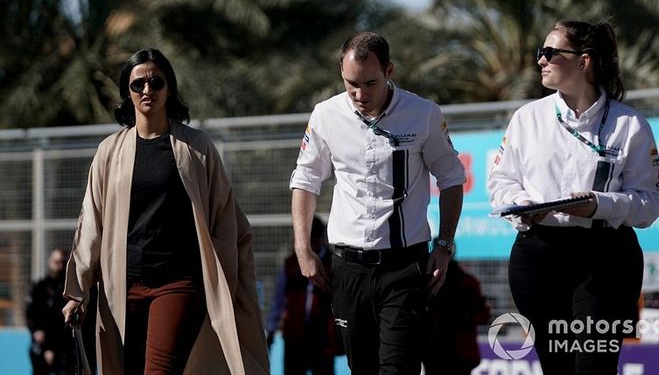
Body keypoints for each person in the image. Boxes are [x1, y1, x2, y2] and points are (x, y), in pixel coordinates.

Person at [61, 48, 269, 375]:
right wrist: (77, 291)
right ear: (126, 93)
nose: (147, 90)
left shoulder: (196, 148)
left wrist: (225, 284)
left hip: (177, 283)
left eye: (156, 82)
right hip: (122, 286)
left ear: (169, 88)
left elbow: (227, 222)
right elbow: (91, 225)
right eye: (138, 84)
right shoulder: (109, 152)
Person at [488, 20, 659, 374]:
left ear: (583, 62)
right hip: (538, 257)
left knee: (593, 366)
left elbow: (651, 202)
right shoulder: (527, 119)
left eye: (551, 53)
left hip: (605, 260)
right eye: (541, 52)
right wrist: (521, 207)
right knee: (557, 367)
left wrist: (601, 204)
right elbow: (501, 181)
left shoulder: (629, 125)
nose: (540, 59)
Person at [289, 31, 466, 374]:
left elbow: (451, 178)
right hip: (348, 268)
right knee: (362, 368)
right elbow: (305, 180)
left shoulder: (423, 113)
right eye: (349, 83)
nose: (359, 94)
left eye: (369, 83)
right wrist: (302, 247)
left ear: (389, 71)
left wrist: (444, 245)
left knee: (398, 368)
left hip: (404, 266)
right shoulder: (326, 115)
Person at [265, 215, 341, 375]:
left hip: (322, 338)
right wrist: (271, 329)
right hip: (294, 336)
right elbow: (279, 299)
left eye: (315, 238)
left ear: (322, 238)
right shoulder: (291, 264)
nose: (312, 243)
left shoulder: (333, 264)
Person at [423, 242, 491, 375]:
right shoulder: (429, 281)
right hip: (437, 348)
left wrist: (467, 317)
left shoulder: (467, 283)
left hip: (457, 349)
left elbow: (483, 313)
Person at [26, 248, 75, 375]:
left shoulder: (67, 289)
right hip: (42, 344)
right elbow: (31, 314)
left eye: (61, 262)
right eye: (56, 262)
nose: (59, 266)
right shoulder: (40, 287)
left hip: (63, 346)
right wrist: (37, 333)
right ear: (50, 262)